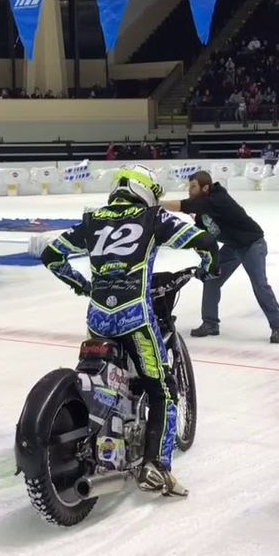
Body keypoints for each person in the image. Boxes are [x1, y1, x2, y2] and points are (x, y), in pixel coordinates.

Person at [41, 165, 219, 496]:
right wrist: (209, 268)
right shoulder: (153, 218)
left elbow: (51, 255)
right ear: (146, 192)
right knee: (162, 390)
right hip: (135, 317)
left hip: (98, 319)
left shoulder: (93, 220)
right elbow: (205, 241)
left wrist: (81, 284)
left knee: (100, 379)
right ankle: (157, 466)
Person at [161, 171, 279, 343]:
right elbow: (202, 237)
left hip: (251, 244)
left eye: (193, 187)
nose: (190, 190)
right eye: (189, 187)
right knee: (211, 277)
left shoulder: (217, 199)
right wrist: (207, 262)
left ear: (205, 187)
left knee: (260, 284)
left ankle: (278, 326)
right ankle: (210, 323)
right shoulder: (202, 210)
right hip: (233, 246)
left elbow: (184, 206)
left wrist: (155, 204)